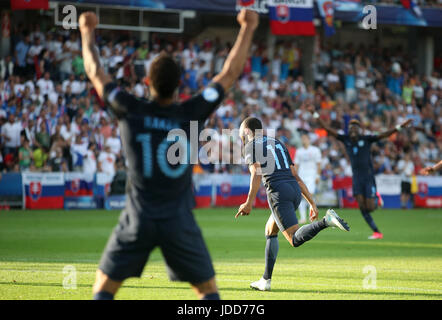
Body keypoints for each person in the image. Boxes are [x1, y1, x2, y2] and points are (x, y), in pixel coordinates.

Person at [79, 9, 259, 300]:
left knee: (103, 287)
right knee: (207, 291)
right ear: (180, 85)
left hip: (137, 219)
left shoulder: (129, 108)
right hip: (178, 220)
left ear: (147, 82)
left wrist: (87, 31)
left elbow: (96, 73)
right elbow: (229, 74)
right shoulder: (192, 111)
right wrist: (248, 27)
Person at [236, 117, 350, 292]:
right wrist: (311, 202)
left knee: (294, 239)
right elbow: (295, 175)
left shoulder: (251, 146)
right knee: (270, 230)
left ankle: (326, 221)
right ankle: (265, 280)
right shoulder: (277, 143)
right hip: (294, 190)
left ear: (246, 131)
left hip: (278, 193)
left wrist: (248, 203)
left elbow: (256, 173)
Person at [311, 107, 412, 240]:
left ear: (359, 130)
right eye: (351, 128)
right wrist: (315, 113)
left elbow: (384, 135)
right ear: (349, 130)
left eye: (355, 128)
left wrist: (399, 127)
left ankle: (376, 198)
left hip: (368, 177)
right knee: (362, 207)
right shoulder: (345, 139)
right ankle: (377, 232)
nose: (353, 130)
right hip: (357, 178)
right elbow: (327, 129)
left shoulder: (366, 139)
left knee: (370, 207)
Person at [294, 133, 321, 224]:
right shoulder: (299, 151)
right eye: (302, 139)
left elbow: (318, 164)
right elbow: (296, 165)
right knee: (302, 197)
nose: (303, 140)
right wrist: (295, 176)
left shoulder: (315, 150)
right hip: (301, 176)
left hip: (311, 176)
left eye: (305, 138)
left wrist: (317, 176)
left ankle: (312, 216)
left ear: (309, 140)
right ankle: (303, 218)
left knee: (310, 197)